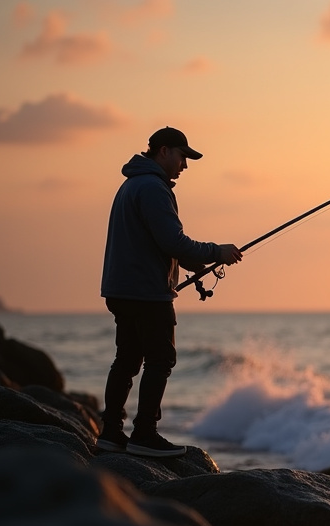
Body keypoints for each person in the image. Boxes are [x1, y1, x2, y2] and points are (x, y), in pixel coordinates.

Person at [96, 127, 242, 457]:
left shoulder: (133, 183)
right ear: (163, 151)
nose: (184, 166)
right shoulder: (152, 187)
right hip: (146, 292)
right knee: (161, 359)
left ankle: (110, 432)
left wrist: (192, 263)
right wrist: (215, 251)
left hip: (122, 288)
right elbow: (172, 241)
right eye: (181, 156)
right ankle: (144, 434)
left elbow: (159, 243)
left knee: (128, 358)